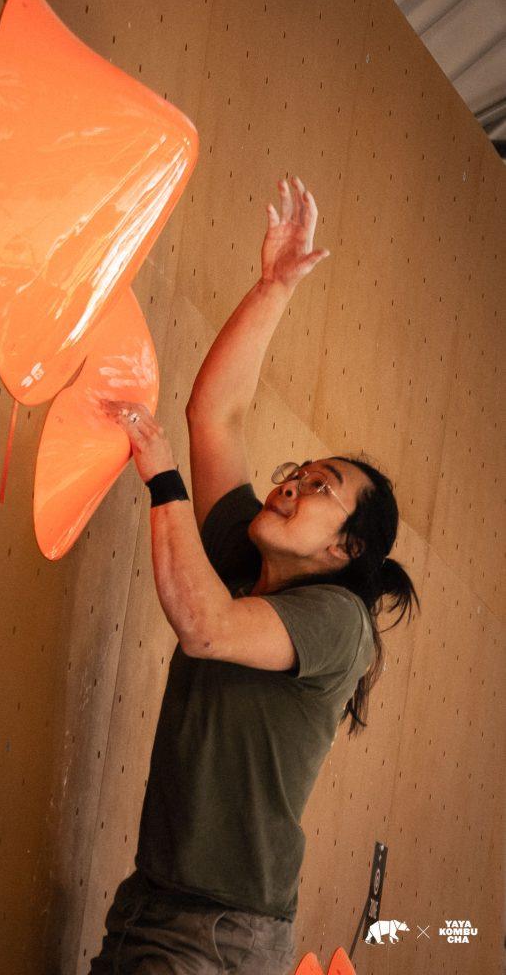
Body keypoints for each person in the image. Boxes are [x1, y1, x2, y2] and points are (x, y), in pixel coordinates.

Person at [91, 175, 421, 973]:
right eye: (297, 473)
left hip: (220, 935)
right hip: (154, 902)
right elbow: (215, 416)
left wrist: (161, 477)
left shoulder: (338, 624)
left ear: (345, 549)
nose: (292, 485)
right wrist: (274, 286)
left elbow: (205, 626)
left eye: (319, 490)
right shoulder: (246, 557)